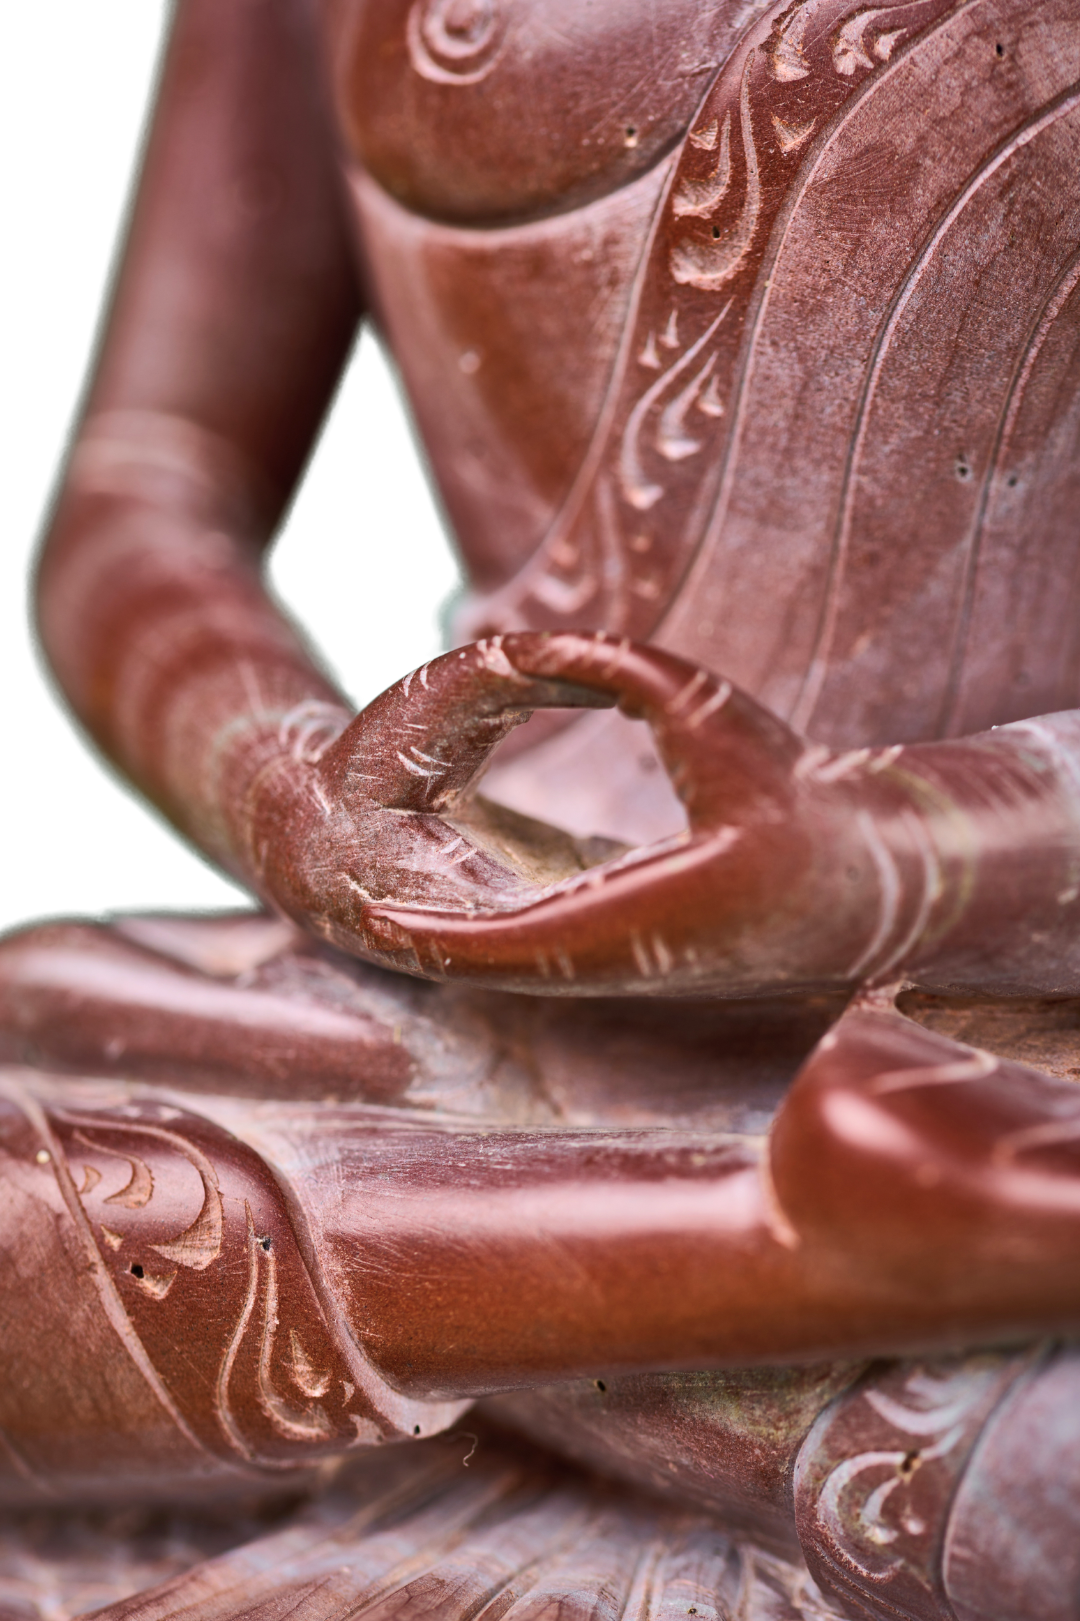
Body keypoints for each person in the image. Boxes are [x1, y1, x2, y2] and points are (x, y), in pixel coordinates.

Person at [1, 1, 1079, 1617]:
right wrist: (292, 791)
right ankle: (783, 1245)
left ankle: (744, 1257)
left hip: (987, 999)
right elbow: (150, 485)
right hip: (455, 975)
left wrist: (887, 855)